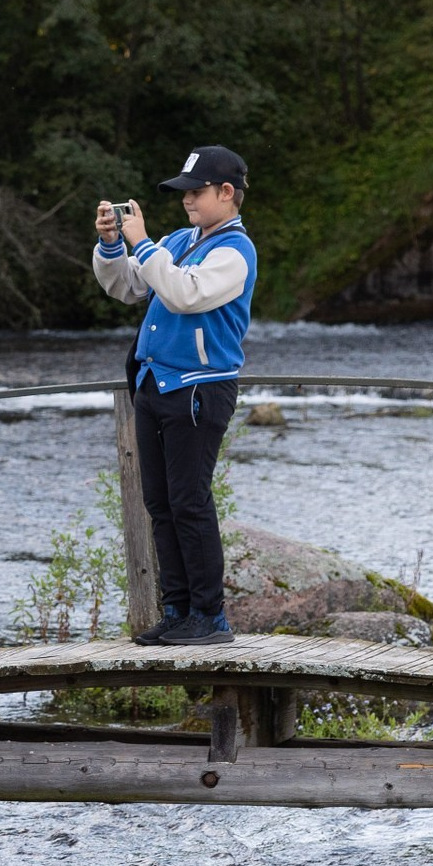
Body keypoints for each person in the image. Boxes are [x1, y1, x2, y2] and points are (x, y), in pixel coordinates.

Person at [92, 146, 256, 647]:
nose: (186, 200)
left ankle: (210, 618)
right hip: (155, 385)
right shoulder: (181, 240)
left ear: (226, 193)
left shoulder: (235, 252)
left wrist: (143, 243)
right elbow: (128, 287)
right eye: (183, 192)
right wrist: (113, 246)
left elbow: (185, 293)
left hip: (200, 389)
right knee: (160, 503)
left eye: (195, 191)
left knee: (189, 501)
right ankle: (177, 609)